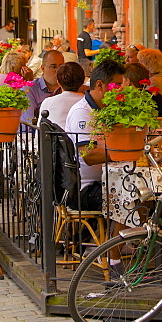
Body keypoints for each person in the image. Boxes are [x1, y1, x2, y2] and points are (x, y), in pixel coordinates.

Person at [64, 60, 127, 211]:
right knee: (129, 202)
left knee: (153, 195)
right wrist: (125, 152)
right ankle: (117, 235)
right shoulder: (82, 112)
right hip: (85, 188)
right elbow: (89, 155)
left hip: (110, 180)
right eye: (116, 86)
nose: (121, 91)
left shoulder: (107, 109)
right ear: (100, 85)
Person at [38, 62, 86, 129]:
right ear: (82, 82)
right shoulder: (88, 102)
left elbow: (40, 132)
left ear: (58, 83)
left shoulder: (48, 102)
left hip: (54, 139)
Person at [23, 50, 64, 122]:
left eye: (61, 66)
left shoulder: (68, 88)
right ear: (43, 68)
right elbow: (28, 122)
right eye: (53, 67)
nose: (58, 71)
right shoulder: (30, 89)